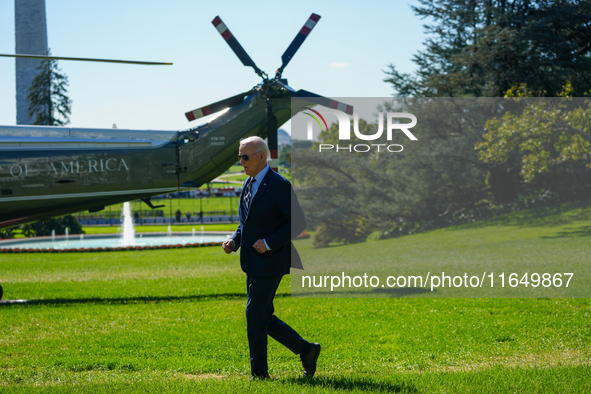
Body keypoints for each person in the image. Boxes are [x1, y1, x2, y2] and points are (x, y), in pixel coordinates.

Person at [222, 136, 320, 380]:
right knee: (262, 316)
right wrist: (235, 240)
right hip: (251, 261)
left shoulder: (279, 185)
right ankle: (307, 349)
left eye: (245, 157)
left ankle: (260, 375)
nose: (241, 161)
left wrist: (268, 242)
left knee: (254, 315)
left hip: (271, 260)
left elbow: (298, 222)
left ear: (261, 156)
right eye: (239, 157)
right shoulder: (249, 183)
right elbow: (248, 222)